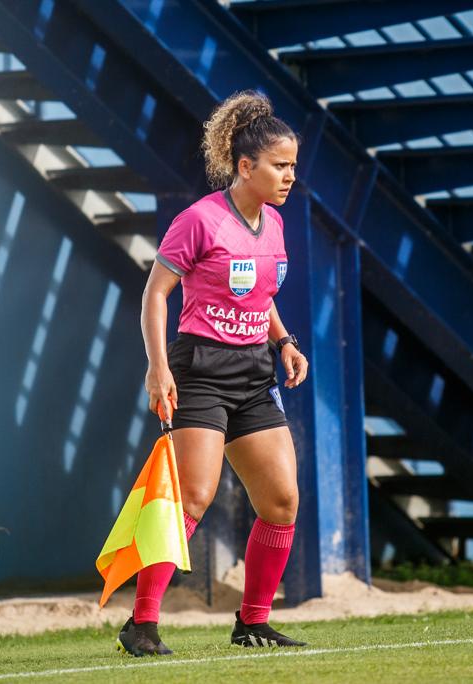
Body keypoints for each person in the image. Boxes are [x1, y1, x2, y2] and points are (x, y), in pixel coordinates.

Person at [117, 91, 309, 656]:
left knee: (281, 501)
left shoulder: (273, 225)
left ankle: (252, 623)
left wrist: (284, 341)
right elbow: (156, 295)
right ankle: (142, 623)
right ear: (245, 166)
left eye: (293, 166)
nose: (289, 176)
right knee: (193, 499)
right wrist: (158, 369)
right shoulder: (198, 220)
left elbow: (259, 292)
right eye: (280, 165)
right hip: (198, 369)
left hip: (254, 371)